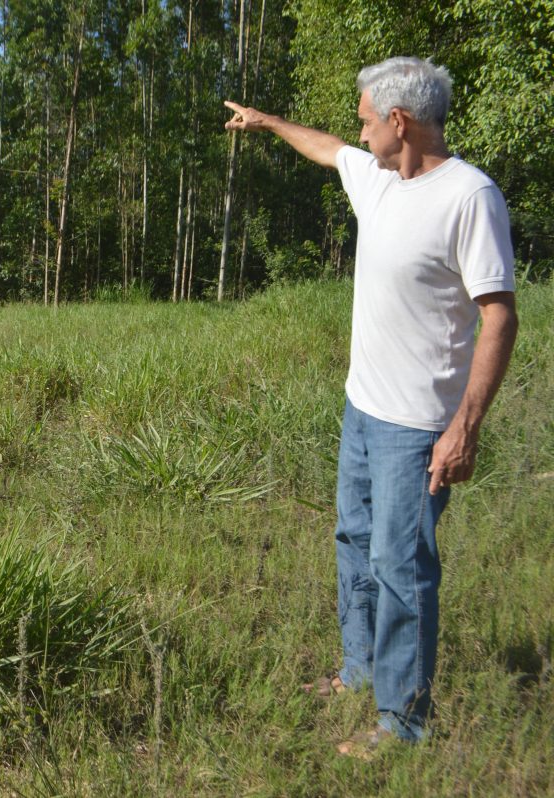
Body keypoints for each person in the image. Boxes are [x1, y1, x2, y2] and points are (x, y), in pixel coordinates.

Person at [223, 57, 519, 755]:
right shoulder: (380, 179)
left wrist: (465, 428)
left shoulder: (469, 196)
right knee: (354, 543)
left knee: (402, 568)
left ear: (400, 121)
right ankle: (359, 672)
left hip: (417, 429)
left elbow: (500, 317)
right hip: (362, 410)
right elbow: (328, 149)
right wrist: (267, 123)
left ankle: (404, 726)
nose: (357, 127)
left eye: (365, 115)